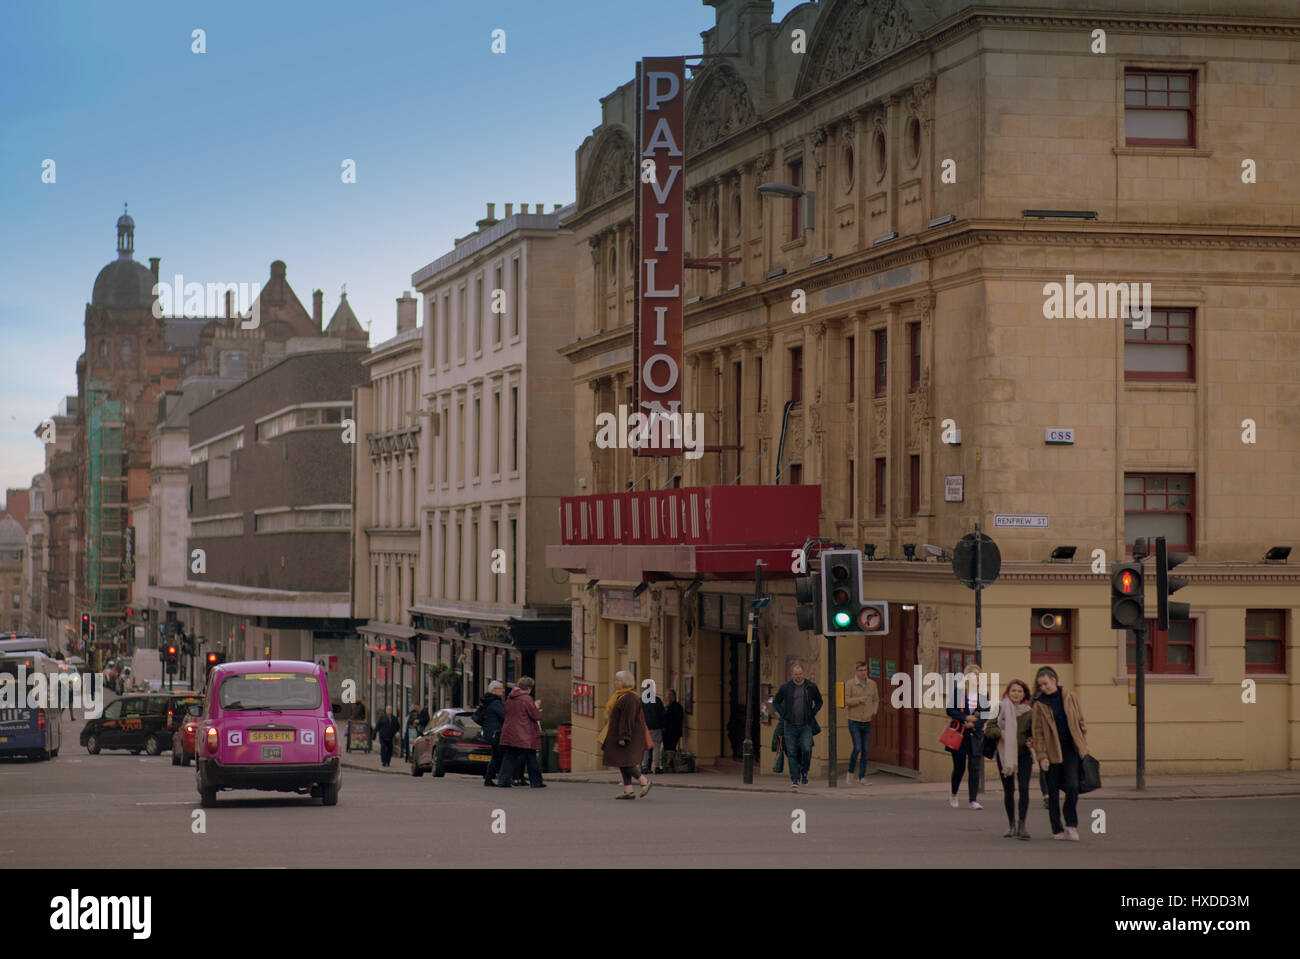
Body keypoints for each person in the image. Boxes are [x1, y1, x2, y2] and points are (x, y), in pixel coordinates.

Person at [1030, 666, 1089, 841]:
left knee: (1072, 787)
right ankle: (1057, 828)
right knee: (1053, 792)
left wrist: (1082, 732)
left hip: (1071, 749)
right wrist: (1041, 756)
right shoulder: (1039, 703)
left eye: (1046, 683)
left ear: (1054, 680)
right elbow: (1037, 732)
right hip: (1051, 751)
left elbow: (1079, 718)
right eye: (1040, 685)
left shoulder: (1070, 696)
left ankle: (1071, 824)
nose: (1043, 688)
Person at [601, 669, 651, 799]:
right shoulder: (621, 695)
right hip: (620, 734)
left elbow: (627, 719)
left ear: (625, 682)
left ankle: (644, 781)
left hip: (628, 736)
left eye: (618, 680)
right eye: (616, 680)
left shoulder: (630, 698)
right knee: (622, 761)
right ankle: (628, 790)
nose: (615, 683)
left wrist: (624, 737)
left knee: (626, 762)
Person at [995, 679, 1035, 840]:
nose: (1016, 694)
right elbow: (990, 728)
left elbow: (1035, 731)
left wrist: (1032, 740)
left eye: (1020, 691)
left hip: (1024, 754)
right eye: (1013, 691)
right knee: (1009, 790)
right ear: (1008, 692)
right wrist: (1000, 733)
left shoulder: (1029, 711)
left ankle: (1022, 825)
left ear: (1024, 694)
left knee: (1024, 789)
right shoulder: (1000, 708)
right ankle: (1011, 825)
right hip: (1005, 755)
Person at [944, 663, 988, 809]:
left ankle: (973, 800)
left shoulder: (983, 693)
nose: (976, 677)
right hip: (960, 734)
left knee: (975, 768)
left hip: (975, 735)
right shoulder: (959, 692)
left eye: (978, 675)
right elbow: (950, 710)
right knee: (959, 768)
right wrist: (965, 718)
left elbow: (986, 713)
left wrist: (975, 724)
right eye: (973, 674)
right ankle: (954, 794)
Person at [772, 663, 822, 789]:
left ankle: (804, 772)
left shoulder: (810, 686)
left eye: (800, 674)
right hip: (790, 725)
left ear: (803, 673)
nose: (798, 676)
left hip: (806, 725)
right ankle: (795, 779)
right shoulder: (786, 687)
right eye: (796, 674)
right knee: (792, 752)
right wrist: (784, 714)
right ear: (792, 674)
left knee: (807, 748)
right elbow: (776, 701)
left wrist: (813, 712)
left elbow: (819, 701)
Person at [497, 677, 546, 788]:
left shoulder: (510, 697)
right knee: (531, 757)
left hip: (509, 731)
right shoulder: (527, 699)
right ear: (528, 688)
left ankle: (503, 780)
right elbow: (535, 715)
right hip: (524, 733)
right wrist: (537, 707)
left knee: (509, 757)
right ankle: (536, 781)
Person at [844, 661, 879, 785]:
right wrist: (858, 700)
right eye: (861, 670)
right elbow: (846, 701)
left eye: (865, 670)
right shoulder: (850, 684)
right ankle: (850, 772)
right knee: (857, 747)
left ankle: (862, 777)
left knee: (865, 749)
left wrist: (873, 711)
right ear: (856, 671)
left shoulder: (872, 684)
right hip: (854, 720)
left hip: (866, 720)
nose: (864, 673)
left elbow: (876, 700)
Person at [478, 681, 507, 787]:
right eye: (500, 688)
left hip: (490, 732)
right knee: (498, 755)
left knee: (496, 755)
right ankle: (498, 778)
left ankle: (489, 778)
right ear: (494, 690)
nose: (503, 691)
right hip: (495, 732)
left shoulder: (489, 701)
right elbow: (504, 715)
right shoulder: (495, 702)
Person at [641, 690, 666, 774]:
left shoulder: (641, 701)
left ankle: (644, 767)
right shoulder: (657, 700)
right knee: (657, 747)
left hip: (645, 728)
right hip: (656, 727)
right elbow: (662, 714)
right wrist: (662, 726)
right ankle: (656, 766)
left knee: (645, 749)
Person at [663, 689, 684, 758]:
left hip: (673, 732)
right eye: (667, 695)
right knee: (667, 749)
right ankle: (669, 764)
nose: (668, 696)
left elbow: (677, 720)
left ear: (674, 696)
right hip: (667, 732)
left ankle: (670, 764)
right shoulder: (668, 706)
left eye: (670, 695)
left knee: (670, 749)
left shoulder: (677, 707)